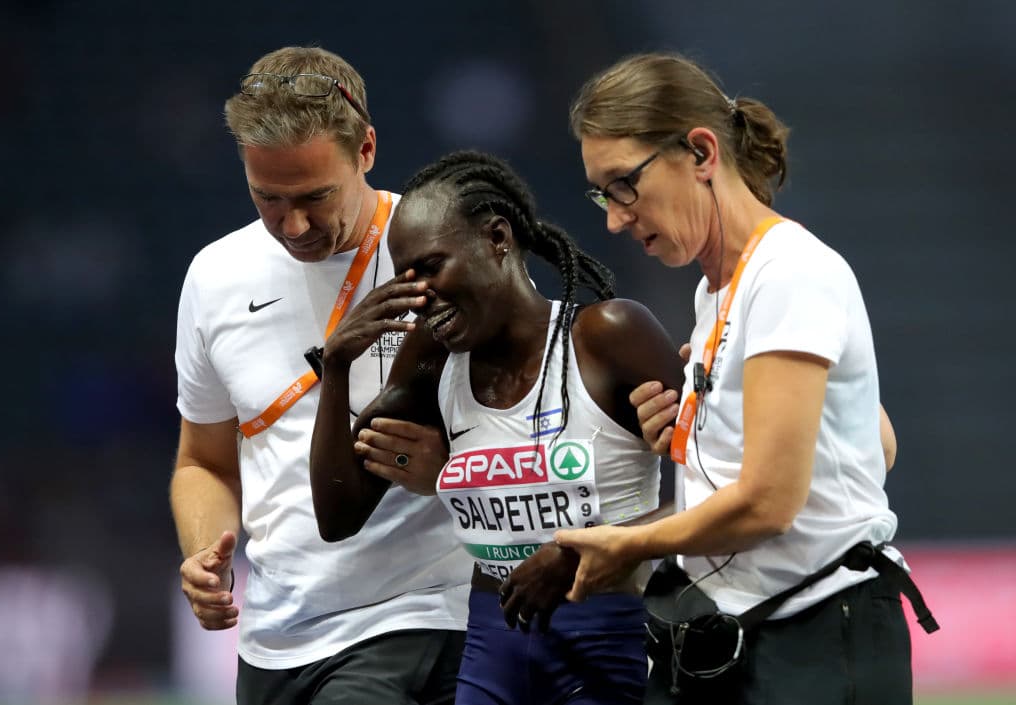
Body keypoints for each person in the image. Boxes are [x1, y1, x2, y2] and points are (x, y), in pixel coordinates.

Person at [553, 53, 935, 704]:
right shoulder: (717, 296)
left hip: (818, 636)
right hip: (753, 631)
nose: (614, 217)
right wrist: (703, 433)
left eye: (624, 184)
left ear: (701, 152)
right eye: (601, 193)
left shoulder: (788, 272)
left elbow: (769, 501)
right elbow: (874, 443)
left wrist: (630, 543)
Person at [308, 150, 686, 705]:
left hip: (611, 632)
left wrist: (586, 552)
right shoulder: (432, 357)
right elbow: (338, 516)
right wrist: (337, 367)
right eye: (405, 280)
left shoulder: (608, 335)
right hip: (495, 639)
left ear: (498, 238)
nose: (420, 297)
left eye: (432, 267)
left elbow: (727, 488)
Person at [170, 46, 471, 705]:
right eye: (268, 199)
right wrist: (202, 555)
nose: (294, 224)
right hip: (276, 640)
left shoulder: (452, 253)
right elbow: (204, 460)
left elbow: (540, 422)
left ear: (365, 148)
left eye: (315, 197)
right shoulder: (214, 277)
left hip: (424, 613)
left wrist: (451, 469)